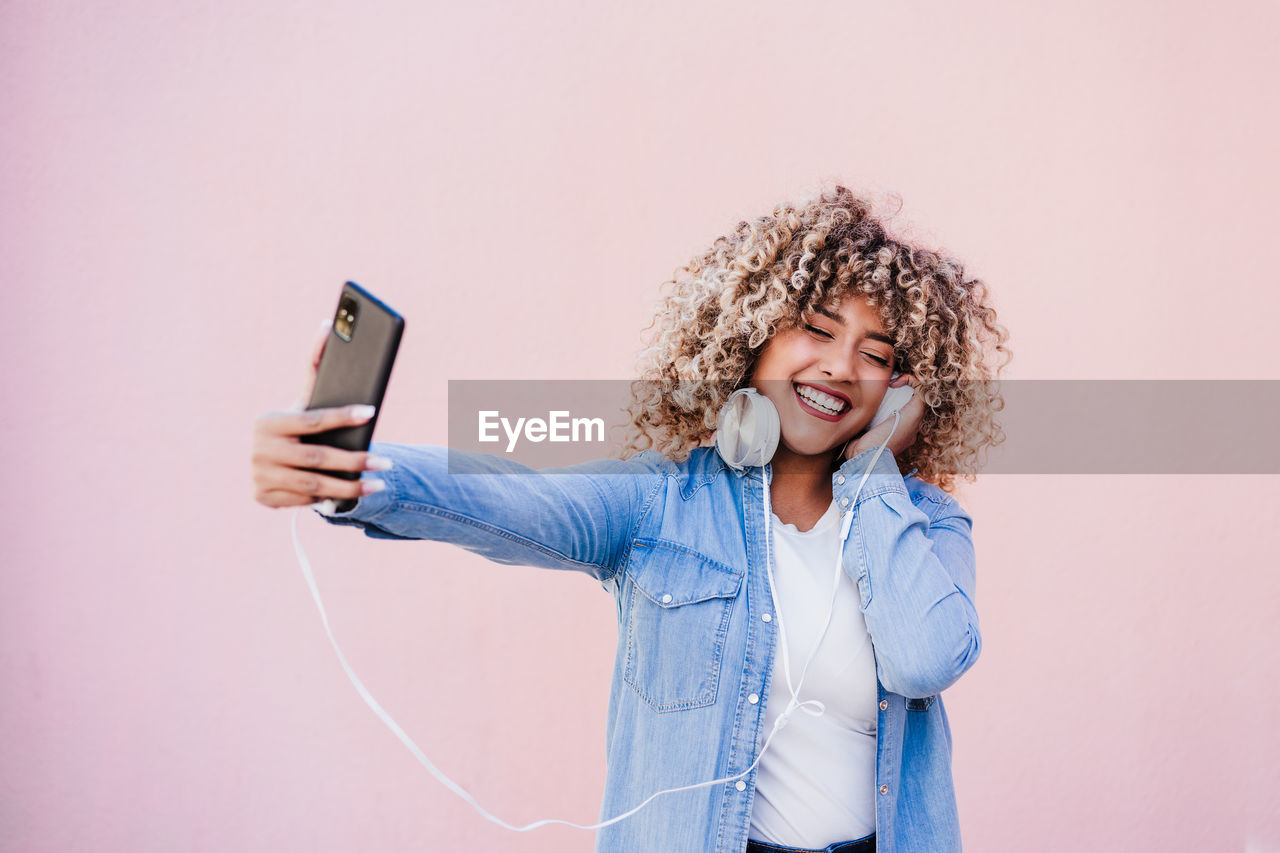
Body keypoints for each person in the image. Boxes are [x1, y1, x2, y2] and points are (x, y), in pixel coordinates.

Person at [250, 185, 1011, 853]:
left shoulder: (928, 524)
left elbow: (924, 659)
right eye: (816, 328)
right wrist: (354, 471)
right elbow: (513, 497)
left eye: (875, 355)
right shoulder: (661, 505)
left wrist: (875, 472)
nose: (842, 366)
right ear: (752, 335)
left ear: (904, 390)